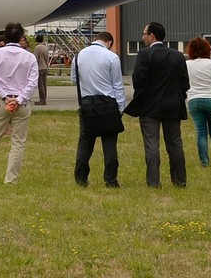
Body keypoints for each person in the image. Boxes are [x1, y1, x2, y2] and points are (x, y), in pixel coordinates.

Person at [125, 21, 190, 188]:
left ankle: (154, 182)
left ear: (152, 35)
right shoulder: (177, 55)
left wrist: (141, 98)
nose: (143, 37)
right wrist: (178, 97)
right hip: (173, 106)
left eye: (144, 34)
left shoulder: (144, 54)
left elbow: (138, 80)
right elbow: (185, 82)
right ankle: (179, 180)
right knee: (175, 144)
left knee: (151, 144)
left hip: (149, 107)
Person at [0, 23, 40, 185]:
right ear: (21, 38)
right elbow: (32, 83)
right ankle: (11, 180)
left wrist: (6, 98)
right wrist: (18, 100)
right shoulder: (29, 57)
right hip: (22, 103)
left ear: (5, 36)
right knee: (18, 143)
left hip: (0, 101)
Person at [72, 30, 126, 187]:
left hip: (87, 103)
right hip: (108, 103)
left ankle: (81, 178)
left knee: (85, 142)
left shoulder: (79, 55)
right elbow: (117, 85)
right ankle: (110, 179)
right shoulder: (111, 57)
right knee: (109, 143)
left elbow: (74, 79)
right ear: (109, 43)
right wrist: (120, 108)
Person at [184, 37, 211, 168]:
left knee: (201, 132)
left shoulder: (187, 64)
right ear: (208, 50)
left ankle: (204, 162)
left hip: (194, 99)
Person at [31, 37, 51, 105]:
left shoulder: (37, 48)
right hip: (45, 67)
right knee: (44, 84)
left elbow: (35, 58)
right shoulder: (45, 47)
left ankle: (42, 100)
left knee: (40, 84)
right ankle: (44, 98)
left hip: (39, 68)